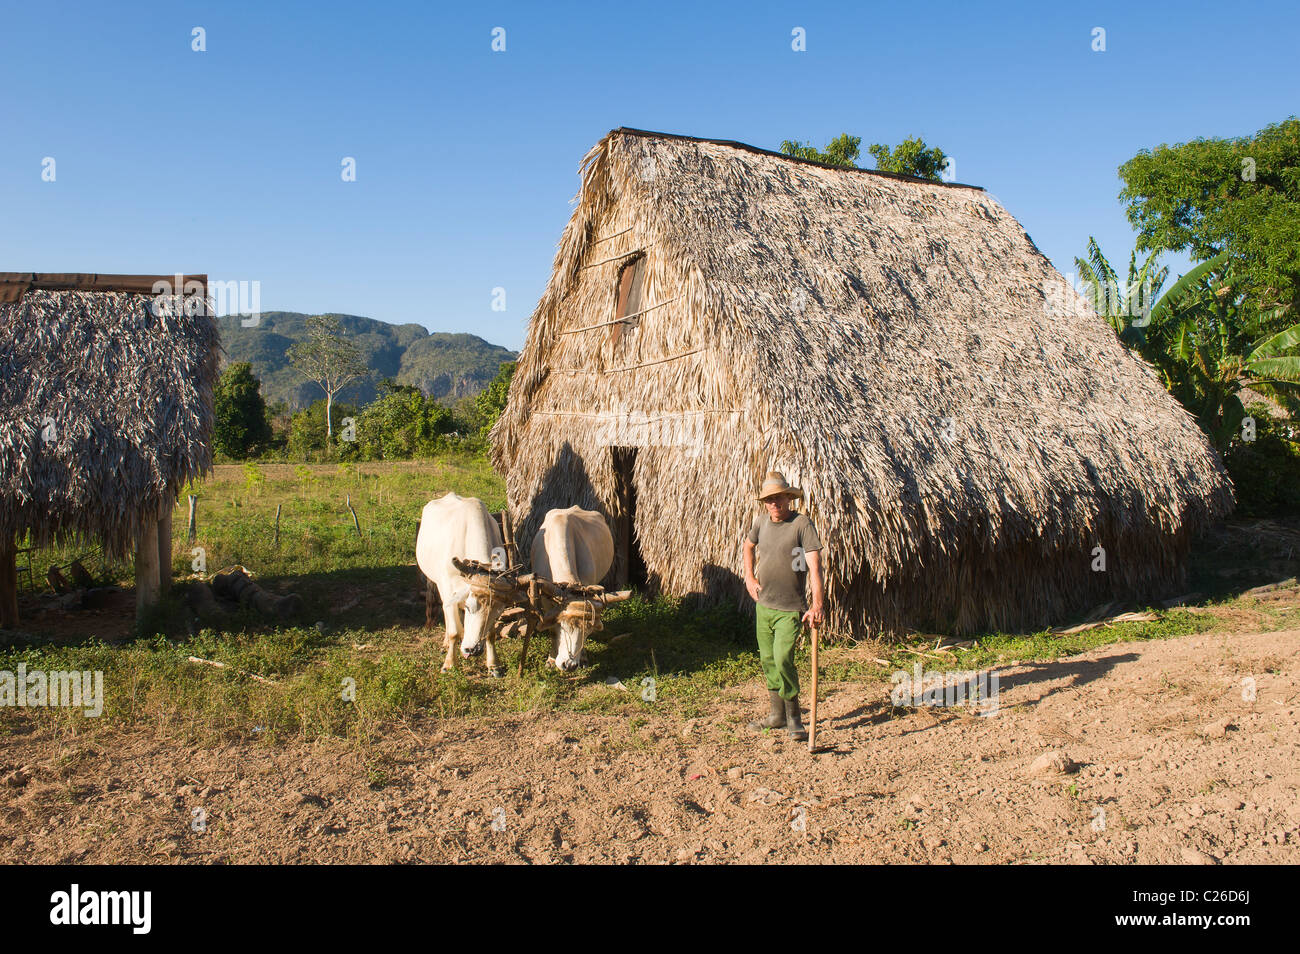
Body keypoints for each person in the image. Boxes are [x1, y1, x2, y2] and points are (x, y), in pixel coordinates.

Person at [742, 471, 825, 742]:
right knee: (767, 660)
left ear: (789, 498)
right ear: (764, 503)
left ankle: (794, 718)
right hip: (764, 606)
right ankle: (776, 715)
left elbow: (814, 566)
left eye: (778, 497)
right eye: (769, 499)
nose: (774, 503)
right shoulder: (761, 524)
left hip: (790, 608)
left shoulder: (801, 525)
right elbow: (748, 546)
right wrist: (749, 577)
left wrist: (817, 604)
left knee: (782, 659)